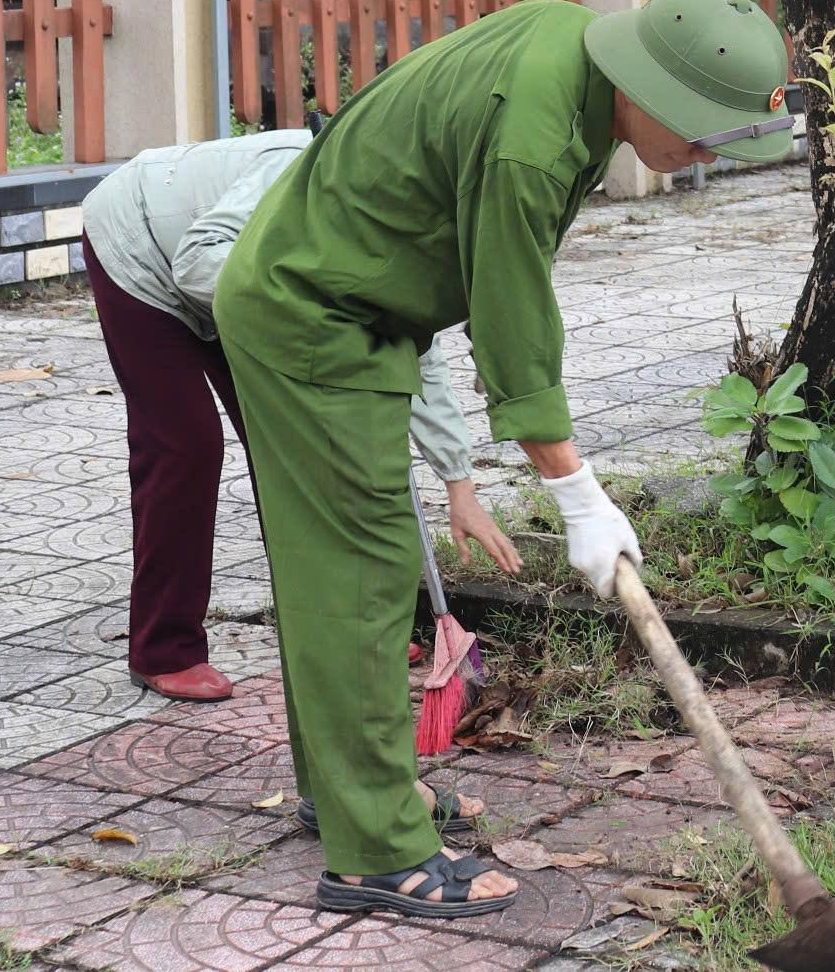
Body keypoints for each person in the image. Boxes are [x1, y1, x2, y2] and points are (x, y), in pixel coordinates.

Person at [212, 0, 793, 923]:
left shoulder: (575, 54)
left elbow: (498, 282)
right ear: (648, 87)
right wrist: (577, 494)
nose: (696, 160)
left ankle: (352, 794)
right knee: (359, 574)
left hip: (354, 304)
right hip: (314, 316)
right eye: (697, 133)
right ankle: (376, 854)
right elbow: (510, 316)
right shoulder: (535, 130)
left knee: (351, 572)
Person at [81, 132, 521, 706]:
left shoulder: (418, 233)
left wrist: (458, 482)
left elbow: (419, 355)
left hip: (249, 276)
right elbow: (199, 261)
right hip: (143, 246)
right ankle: (163, 647)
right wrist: (321, 320)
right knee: (187, 444)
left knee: (294, 438)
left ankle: (332, 629)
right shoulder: (313, 172)